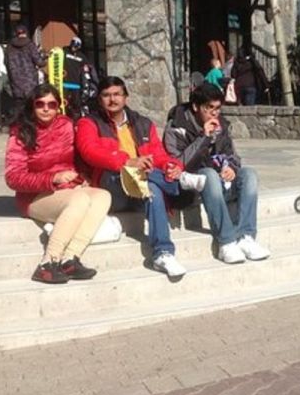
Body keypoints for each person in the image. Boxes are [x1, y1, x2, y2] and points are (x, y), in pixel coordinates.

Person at [75, 77, 205, 278]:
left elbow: (158, 155)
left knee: (151, 190)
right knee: (145, 179)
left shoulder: (142, 124)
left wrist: (172, 166)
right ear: (99, 99)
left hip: (142, 185)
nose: (112, 99)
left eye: (117, 94)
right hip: (111, 185)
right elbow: (89, 151)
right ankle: (180, 183)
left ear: (126, 97)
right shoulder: (89, 123)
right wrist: (126, 162)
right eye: (106, 95)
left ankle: (163, 254)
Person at [4, 83, 110, 284]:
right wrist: (52, 179)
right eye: (40, 104)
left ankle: (70, 258)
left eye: (52, 104)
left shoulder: (67, 125)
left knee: (102, 196)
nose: (46, 108)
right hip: (33, 197)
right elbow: (13, 177)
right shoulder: (21, 132)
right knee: (79, 199)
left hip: (66, 190)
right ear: (32, 106)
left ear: (59, 106)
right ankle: (47, 263)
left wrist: (83, 176)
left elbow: (79, 157)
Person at [164, 82, 269, 264]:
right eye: (209, 108)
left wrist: (231, 168)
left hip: (220, 184)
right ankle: (226, 242)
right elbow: (177, 165)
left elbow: (233, 156)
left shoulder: (222, 126)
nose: (214, 113)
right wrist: (203, 138)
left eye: (218, 108)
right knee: (208, 175)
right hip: (192, 186)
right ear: (196, 107)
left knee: (249, 174)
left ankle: (245, 237)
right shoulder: (176, 127)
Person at [5, 24, 46, 117]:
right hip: (30, 81)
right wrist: (45, 59)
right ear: (26, 33)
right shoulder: (30, 45)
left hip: (15, 81)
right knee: (30, 106)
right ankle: (29, 125)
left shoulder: (9, 47)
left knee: (18, 106)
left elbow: (6, 63)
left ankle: (17, 126)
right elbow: (39, 62)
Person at [64, 36, 99, 119]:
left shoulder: (82, 57)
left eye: (76, 46)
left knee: (76, 104)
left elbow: (87, 69)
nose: (73, 48)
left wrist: (88, 80)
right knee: (65, 103)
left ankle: (76, 120)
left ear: (79, 47)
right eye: (72, 45)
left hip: (76, 84)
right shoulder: (64, 51)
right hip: (65, 82)